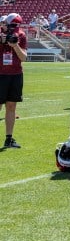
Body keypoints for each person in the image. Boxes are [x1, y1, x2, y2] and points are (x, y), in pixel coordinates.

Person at [0, 14, 26, 149]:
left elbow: (24, 57)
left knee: (11, 107)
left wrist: (15, 46)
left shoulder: (21, 35)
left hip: (15, 74)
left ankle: (9, 139)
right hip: (0, 74)